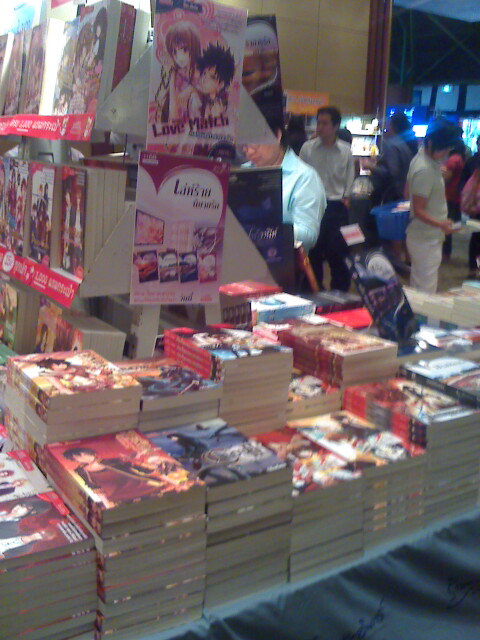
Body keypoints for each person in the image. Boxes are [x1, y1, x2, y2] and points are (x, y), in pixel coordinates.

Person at [242, 117, 326, 254]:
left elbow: (308, 236)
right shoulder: (243, 171)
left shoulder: (304, 177)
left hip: (280, 261)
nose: (249, 151)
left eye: (255, 143)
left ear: (276, 135)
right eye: (244, 146)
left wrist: (264, 230)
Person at [300, 106, 355, 291]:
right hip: (312, 206)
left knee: (339, 254)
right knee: (312, 253)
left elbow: (349, 178)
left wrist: (346, 199)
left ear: (335, 126)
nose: (320, 127)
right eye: (319, 123)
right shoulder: (308, 149)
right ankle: (313, 292)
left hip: (336, 207)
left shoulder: (345, 151)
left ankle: (340, 293)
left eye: (324, 123)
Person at [406, 118, 461, 294]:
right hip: (425, 238)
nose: (446, 153)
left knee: (420, 284)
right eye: (444, 148)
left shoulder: (424, 159)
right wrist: (441, 224)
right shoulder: (425, 169)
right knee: (425, 289)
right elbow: (418, 209)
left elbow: (407, 192)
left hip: (425, 236)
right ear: (430, 143)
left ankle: (416, 310)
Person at [369, 112, 417, 206]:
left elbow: (392, 173)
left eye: (386, 128)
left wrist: (371, 166)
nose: (384, 131)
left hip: (390, 194)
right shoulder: (405, 143)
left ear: (392, 127)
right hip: (402, 192)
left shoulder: (391, 145)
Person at [442, 140, 466, 260]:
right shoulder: (461, 158)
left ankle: (445, 252)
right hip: (457, 195)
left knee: (447, 223)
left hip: (449, 194)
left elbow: (447, 178)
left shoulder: (453, 159)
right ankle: (447, 252)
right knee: (452, 223)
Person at [460, 136, 480, 277]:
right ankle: (474, 267)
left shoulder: (473, 161)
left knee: (476, 236)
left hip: (475, 205)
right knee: (476, 236)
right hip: (476, 205)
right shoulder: (473, 161)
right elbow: (465, 182)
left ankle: (474, 267)